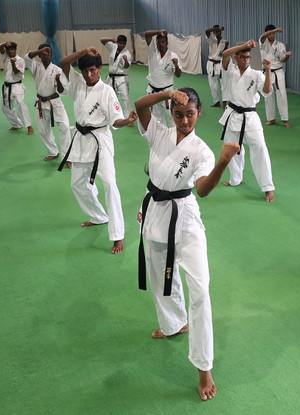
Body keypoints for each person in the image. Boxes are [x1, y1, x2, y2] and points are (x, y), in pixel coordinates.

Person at [134, 86, 239, 401]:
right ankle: (173, 323)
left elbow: (203, 190)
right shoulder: (159, 133)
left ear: (199, 113)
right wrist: (167, 93)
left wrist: (223, 161)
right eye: (178, 114)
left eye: (190, 114)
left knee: (201, 289)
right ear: (171, 112)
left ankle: (204, 366)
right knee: (159, 275)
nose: (184, 121)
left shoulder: (203, 151)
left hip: (186, 217)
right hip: (155, 210)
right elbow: (140, 105)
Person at [59, 47, 137, 254]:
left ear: (99, 68)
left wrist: (126, 120)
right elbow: (63, 63)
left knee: (110, 184)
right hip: (81, 139)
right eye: (84, 70)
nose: (88, 74)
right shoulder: (77, 83)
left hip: (100, 140)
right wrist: (83, 51)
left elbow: (115, 121)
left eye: (92, 70)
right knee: (77, 184)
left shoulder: (106, 91)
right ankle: (99, 216)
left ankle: (118, 234)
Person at [220, 40, 276, 202]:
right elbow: (224, 54)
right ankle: (235, 179)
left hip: (250, 117)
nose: (246, 60)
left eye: (248, 57)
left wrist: (268, 70)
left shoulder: (256, 74)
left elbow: (267, 91)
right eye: (242, 57)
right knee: (232, 150)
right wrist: (244, 45)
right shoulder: (230, 70)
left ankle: (267, 187)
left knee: (260, 150)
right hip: (232, 116)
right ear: (236, 58)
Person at [26, 44, 71, 162]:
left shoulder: (57, 70)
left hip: (55, 102)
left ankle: (68, 157)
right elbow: (27, 58)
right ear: (39, 55)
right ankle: (53, 152)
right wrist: (40, 50)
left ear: (52, 55)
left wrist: (59, 81)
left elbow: (63, 91)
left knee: (65, 127)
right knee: (43, 131)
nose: (47, 55)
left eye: (49, 53)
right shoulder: (35, 67)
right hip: (41, 103)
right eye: (44, 53)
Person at [144, 29, 183, 127]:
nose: (161, 44)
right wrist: (158, 32)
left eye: (163, 42)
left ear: (167, 43)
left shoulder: (173, 56)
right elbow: (147, 35)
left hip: (167, 91)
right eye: (158, 42)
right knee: (157, 117)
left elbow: (178, 75)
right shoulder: (152, 51)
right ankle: (162, 135)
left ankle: (174, 134)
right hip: (153, 90)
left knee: (171, 115)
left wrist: (176, 65)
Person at [0, 41, 34, 134]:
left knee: (20, 103)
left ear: (15, 49)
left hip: (17, 86)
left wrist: (13, 63)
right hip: (7, 86)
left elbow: (17, 72)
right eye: (8, 50)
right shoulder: (5, 57)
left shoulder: (20, 60)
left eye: (12, 49)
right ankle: (17, 124)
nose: (10, 51)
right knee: (5, 107)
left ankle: (29, 126)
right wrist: (5, 43)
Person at [259, 25, 292, 128]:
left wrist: (287, 56)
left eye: (273, 33)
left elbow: (282, 60)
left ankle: (285, 119)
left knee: (282, 95)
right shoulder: (262, 43)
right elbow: (263, 36)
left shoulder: (280, 45)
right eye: (270, 33)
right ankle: (271, 119)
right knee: (268, 96)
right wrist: (275, 30)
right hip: (267, 72)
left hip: (278, 72)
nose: (272, 35)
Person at [100, 35, 132, 118]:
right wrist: (111, 39)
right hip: (111, 77)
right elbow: (102, 40)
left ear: (125, 44)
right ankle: (111, 114)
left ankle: (128, 117)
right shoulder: (113, 47)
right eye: (120, 43)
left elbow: (126, 66)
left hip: (122, 78)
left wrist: (125, 60)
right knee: (109, 96)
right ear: (117, 42)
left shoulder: (127, 53)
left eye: (123, 44)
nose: (121, 45)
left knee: (125, 98)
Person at [205, 25, 229, 108]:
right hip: (211, 64)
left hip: (220, 64)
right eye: (216, 31)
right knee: (213, 85)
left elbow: (223, 54)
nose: (218, 33)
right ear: (214, 32)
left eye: (219, 31)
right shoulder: (211, 40)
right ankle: (216, 101)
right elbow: (207, 31)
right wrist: (217, 28)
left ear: (221, 32)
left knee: (224, 84)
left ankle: (225, 102)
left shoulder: (225, 42)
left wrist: (225, 47)